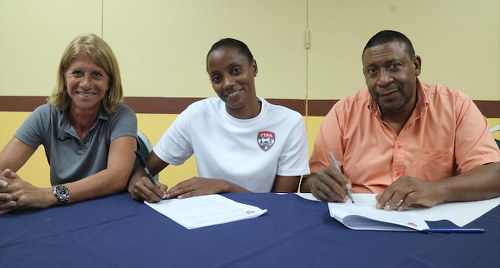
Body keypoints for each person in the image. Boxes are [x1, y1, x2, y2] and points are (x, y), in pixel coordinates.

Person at [301, 30, 500, 211]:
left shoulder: (455, 106)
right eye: (373, 71)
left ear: (416, 66)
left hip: (431, 223)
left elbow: (494, 174)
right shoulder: (342, 113)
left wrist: (436, 190)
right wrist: (320, 184)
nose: (384, 79)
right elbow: (310, 180)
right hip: (358, 221)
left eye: (394, 66)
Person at [128, 38, 310, 202]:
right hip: (210, 220)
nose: (227, 83)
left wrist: (225, 186)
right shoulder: (197, 114)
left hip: (264, 225)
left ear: (253, 68)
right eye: (217, 78)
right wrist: (140, 183)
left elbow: (282, 204)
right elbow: (145, 169)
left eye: (236, 71)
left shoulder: (289, 122)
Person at [0, 34, 138, 214]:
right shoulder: (45, 115)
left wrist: (49, 194)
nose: (86, 84)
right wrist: (8, 192)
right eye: (77, 73)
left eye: (97, 75)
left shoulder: (122, 116)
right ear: (64, 77)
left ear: (109, 83)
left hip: (110, 213)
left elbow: (117, 177)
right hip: (63, 214)